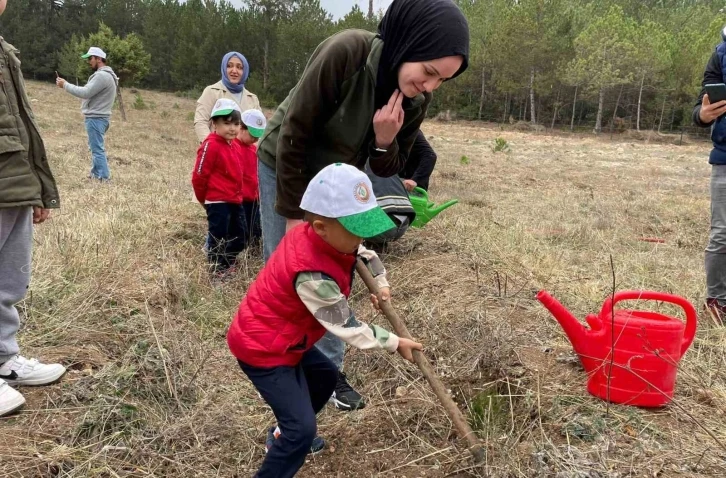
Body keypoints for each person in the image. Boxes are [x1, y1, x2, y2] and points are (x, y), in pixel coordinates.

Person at [256, 0, 469, 409]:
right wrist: (292, 217)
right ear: (409, 43)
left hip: (339, 184)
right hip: (287, 165)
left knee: (333, 276)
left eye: (442, 80)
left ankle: (329, 376)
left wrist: (384, 140)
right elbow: (295, 133)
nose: (430, 87)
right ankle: (283, 367)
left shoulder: (415, 102)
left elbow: (391, 165)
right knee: (291, 274)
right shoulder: (347, 52)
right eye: (428, 72)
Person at [227, 163, 423, 477]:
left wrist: (381, 283)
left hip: (289, 338)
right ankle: (287, 440)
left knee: (325, 378)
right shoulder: (311, 274)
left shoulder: (330, 238)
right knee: (302, 431)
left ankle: (282, 434)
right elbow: (347, 326)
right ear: (320, 227)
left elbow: (365, 254)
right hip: (263, 348)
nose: (363, 235)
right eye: (355, 227)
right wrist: (395, 342)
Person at [0, 0, 67, 417]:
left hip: (12, 181)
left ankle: (4, 360)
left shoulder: (5, 52)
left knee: (9, 281)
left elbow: (22, 126)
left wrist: (36, 189)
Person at [192, 99, 248, 278]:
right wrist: (203, 200)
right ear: (214, 123)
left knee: (240, 236)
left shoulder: (233, 145)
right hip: (217, 201)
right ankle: (217, 270)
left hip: (234, 200)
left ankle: (227, 261)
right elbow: (199, 176)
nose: (232, 128)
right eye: (227, 123)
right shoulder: (211, 144)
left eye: (236, 123)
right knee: (218, 237)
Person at [693, 26, 726, 322]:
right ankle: (718, 303)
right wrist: (702, 116)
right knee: (722, 235)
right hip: (725, 160)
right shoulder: (720, 54)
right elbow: (700, 106)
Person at [366, 130, 439, 245]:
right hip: (396, 182)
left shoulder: (410, 131)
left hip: (408, 183)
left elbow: (430, 156)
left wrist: (415, 180)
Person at [56, 46, 118, 182]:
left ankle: (104, 178)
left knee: (97, 149)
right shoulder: (107, 75)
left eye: (90, 58)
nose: (89, 61)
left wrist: (65, 85)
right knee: (95, 147)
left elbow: (85, 92)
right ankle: (96, 174)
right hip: (100, 117)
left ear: (99, 59)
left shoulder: (102, 76)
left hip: (96, 118)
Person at [194, 52, 261, 144]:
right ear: (224, 68)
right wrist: (210, 146)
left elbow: (258, 129)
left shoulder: (252, 99)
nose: (234, 71)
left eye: (239, 67)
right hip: (218, 153)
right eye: (229, 66)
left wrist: (254, 152)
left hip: (244, 156)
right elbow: (201, 122)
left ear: (245, 71)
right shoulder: (212, 91)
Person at [234, 109, 266, 246]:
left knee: (256, 229)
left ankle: (253, 249)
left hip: (254, 200)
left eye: (258, 136)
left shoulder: (254, 150)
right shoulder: (232, 147)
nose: (256, 139)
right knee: (239, 229)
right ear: (241, 128)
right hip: (239, 200)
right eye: (253, 135)